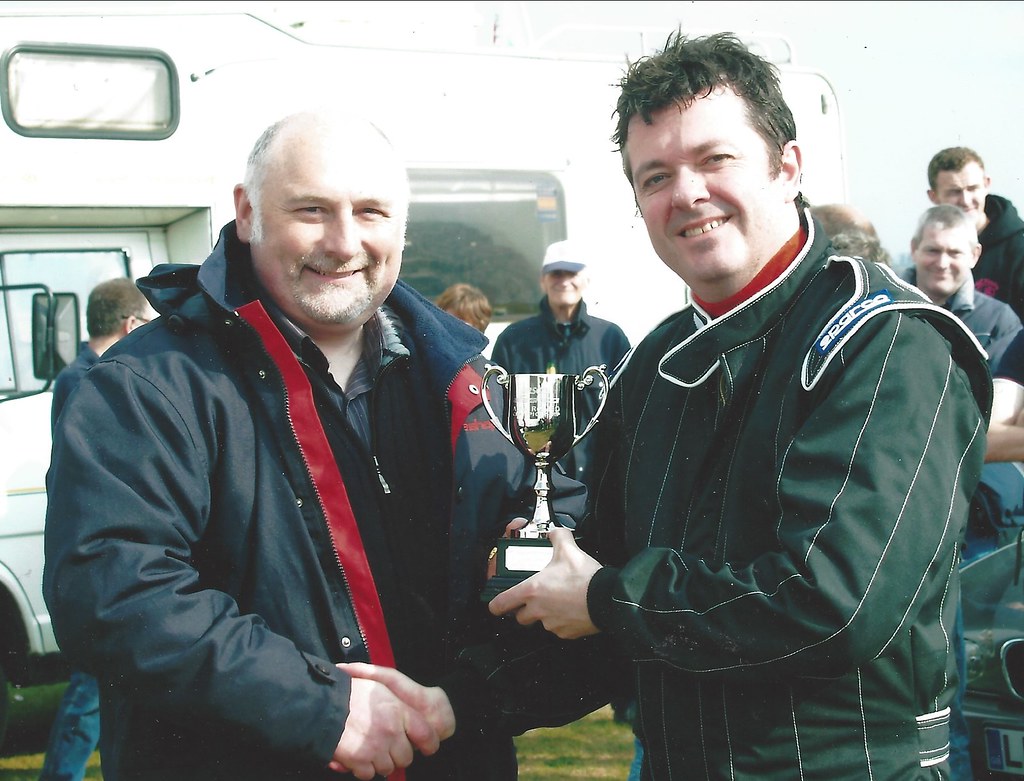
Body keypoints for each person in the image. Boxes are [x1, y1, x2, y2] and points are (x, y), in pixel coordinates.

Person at [42, 109, 609, 781]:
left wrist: (462, 698)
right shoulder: (144, 385)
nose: (343, 242)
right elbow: (112, 593)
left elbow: (562, 544)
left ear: (402, 226)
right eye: (311, 209)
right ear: (247, 212)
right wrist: (322, 708)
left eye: (371, 212)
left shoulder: (469, 382)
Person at [487, 30, 992, 781]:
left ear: (787, 167)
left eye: (714, 159)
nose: (686, 193)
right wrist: (451, 700)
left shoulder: (887, 344)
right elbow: (603, 586)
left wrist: (602, 595)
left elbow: (832, 601)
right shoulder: (658, 360)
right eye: (655, 176)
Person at [40, 277, 155, 781]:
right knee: (93, 691)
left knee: (101, 691)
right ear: (131, 325)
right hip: (108, 558)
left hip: (104, 554)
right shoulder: (95, 378)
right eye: (150, 325)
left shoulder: (76, 375)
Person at [490, 239, 630, 489]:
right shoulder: (513, 340)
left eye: (572, 272)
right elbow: (499, 413)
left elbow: (627, 409)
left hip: (601, 478)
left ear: (586, 280)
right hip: (534, 482)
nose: (564, 280)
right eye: (556, 273)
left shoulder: (611, 337)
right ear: (542, 281)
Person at [905, 203, 1022, 367]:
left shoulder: (998, 322)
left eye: (954, 253)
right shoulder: (885, 309)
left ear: (974, 255)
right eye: (933, 250)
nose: (942, 263)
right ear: (914, 249)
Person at [927, 146, 1024, 322]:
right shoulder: (929, 251)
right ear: (933, 196)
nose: (965, 200)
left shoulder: (1019, 248)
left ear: (987, 184)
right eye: (954, 192)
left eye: (972, 188)